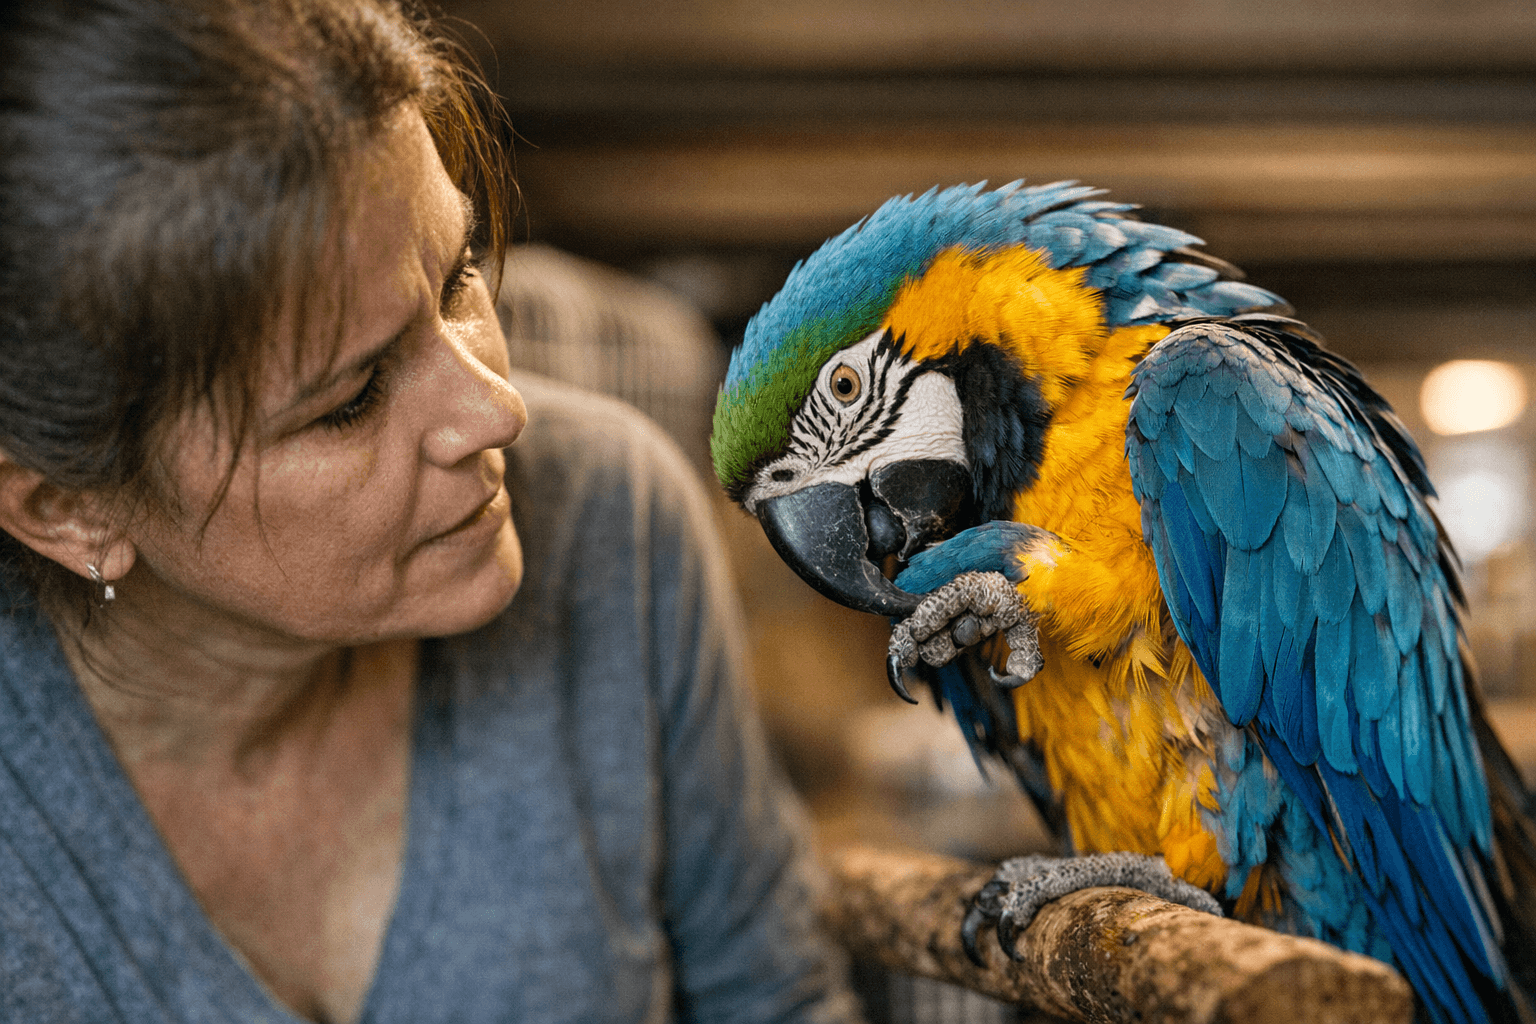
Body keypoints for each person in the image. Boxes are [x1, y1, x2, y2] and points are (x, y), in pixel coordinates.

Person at [0, 1, 864, 1021]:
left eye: (456, 276)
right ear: (67, 506)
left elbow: (778, 995)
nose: (498, 410)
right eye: (351, 398)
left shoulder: (609, 519)